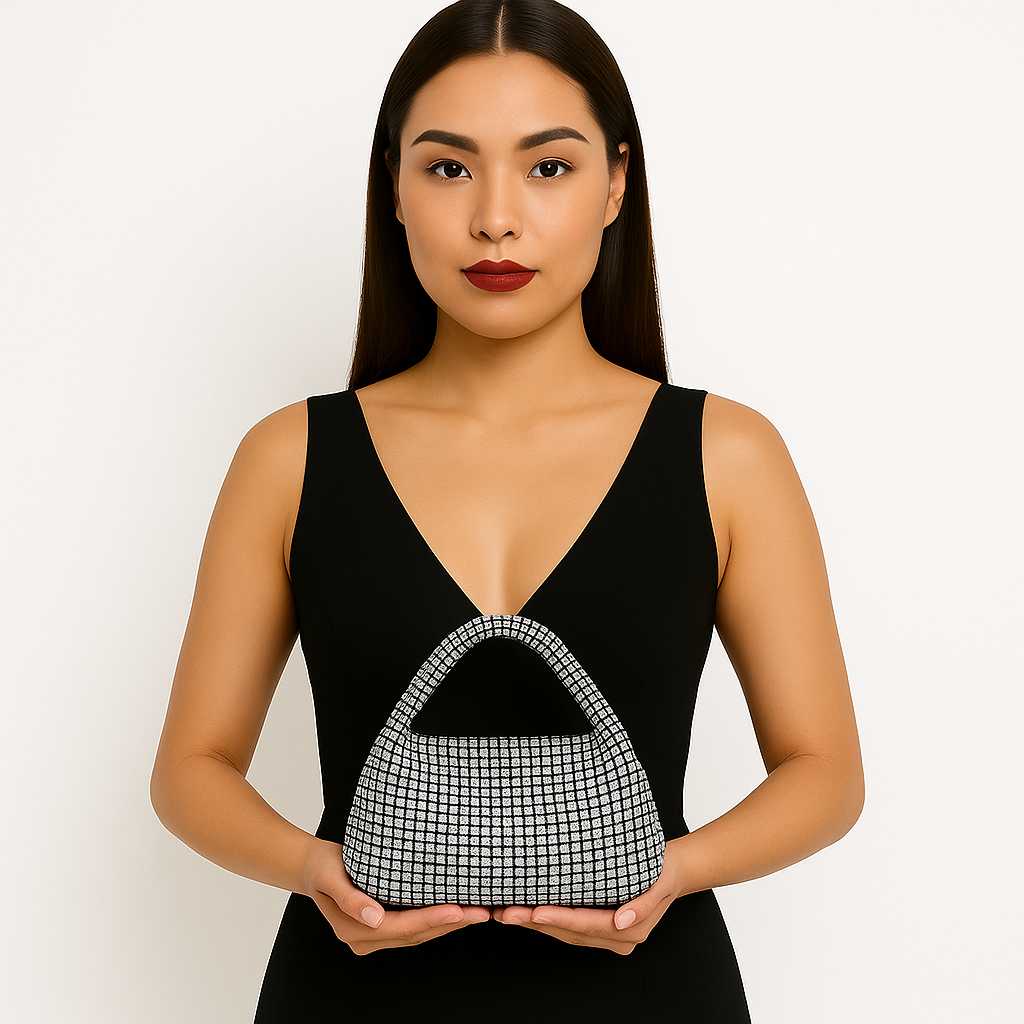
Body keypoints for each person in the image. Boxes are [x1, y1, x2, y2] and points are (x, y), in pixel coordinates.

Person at [150, 1, 864, 1020]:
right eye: (447, 167)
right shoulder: (290, 456)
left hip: (648, 989)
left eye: (548, 166)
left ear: (616, 181)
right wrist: (315, 871)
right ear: (391, 185)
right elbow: (188, 769)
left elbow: (826, 771)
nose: (495, 217)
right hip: (350, 989)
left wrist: (678, 868)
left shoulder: (727, 454)